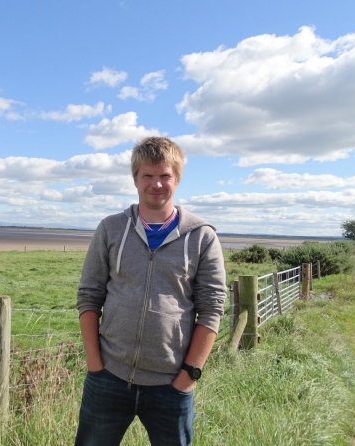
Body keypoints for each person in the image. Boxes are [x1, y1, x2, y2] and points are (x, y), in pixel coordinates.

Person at [75, 136, 226, 446]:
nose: (156, 184)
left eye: (164, 176)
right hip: (109, 378)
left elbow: (211, 309)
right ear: (135, 179)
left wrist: (188, 377)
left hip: (171, 385)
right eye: (148, 175)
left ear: (177, 179)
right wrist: (95, 366)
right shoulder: (111, 228)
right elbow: (89, 296)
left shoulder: (202, 237)